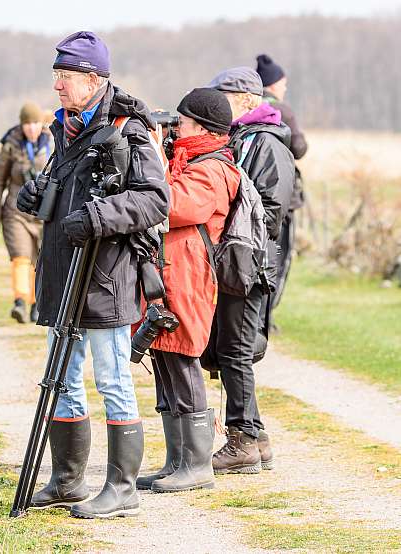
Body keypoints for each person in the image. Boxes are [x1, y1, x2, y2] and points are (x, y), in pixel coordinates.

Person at [16, 31, 169, 519]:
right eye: (55, 75)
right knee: (59, 378)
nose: (57, 85)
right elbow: (67, 187)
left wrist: (99, 218)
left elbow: (154, 200)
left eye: (65, 76)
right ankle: (67, 482)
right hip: (62, 271)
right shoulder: (65, 128)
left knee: (113, 380)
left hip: (105, 275)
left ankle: (122, 489)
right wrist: (38, 194)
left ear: (93, 78)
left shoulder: (130, 130)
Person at [135, 89, 240, 494]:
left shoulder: (212, 168)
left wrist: (156, 163)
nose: (177, 127)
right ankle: (176, 460)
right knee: (163, 360)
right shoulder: (190, 160)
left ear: (202, 126)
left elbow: (174, 206)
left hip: (190, 279)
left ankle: (196, 464)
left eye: (183, 121)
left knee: (182, 360)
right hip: (170, 275)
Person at [207, 67, 294, 475]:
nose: (216, 101)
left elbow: (270, 213)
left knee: (237, 352)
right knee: (230, 350)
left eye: (222, 93)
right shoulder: (243, 139)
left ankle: (241, 440)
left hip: (250, 263)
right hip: (237, 260)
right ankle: (256, 438)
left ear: (246, 98)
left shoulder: (268, 144)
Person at [0, 102, 51, 324]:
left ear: (41, 124)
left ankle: (35, 304)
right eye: (27, 124)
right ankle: (20, 302)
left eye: (35, 123)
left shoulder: (53, 142)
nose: (31, 128)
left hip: (44, 213)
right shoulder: (10, 146)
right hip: (15, 212)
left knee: (39, 261)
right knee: (21, 257)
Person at [256, 54, 309, 311]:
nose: (285, 88)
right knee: (279, 256)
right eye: (283, 82)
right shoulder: (282, 110)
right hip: (282, 198)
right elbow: (299, 148)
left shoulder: (249, 104)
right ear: (274, 83)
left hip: (255, 197)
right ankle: (268, 315)